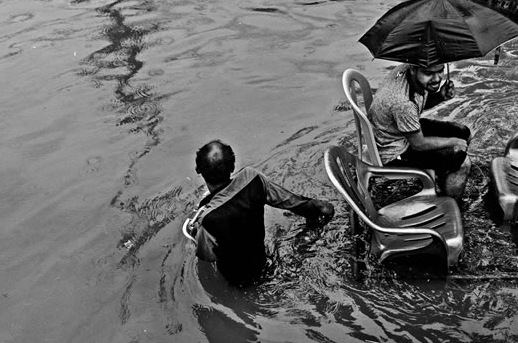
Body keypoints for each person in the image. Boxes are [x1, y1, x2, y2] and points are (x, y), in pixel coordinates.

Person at [185, 140, 334, 286]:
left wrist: (196, 235)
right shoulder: (253, 179)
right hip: (264, 262)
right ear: (233, 166)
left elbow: (207, 256)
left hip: (238, 281)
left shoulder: (207, 218)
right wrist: (317, 210)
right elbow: (289, 201)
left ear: (199, 171)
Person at [368, 62, 471, 200]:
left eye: (440, 71)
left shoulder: (405, 71)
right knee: (463, 162)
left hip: (400, 130)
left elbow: (416, 104)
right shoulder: (403, 103)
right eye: (428, 73)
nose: (436, 79)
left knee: (464, 133)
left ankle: (443, 177)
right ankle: (449, 203)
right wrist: (454, 142)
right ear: (413, 70)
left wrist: (440, 96)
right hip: (394, 151)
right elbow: (419, 144)